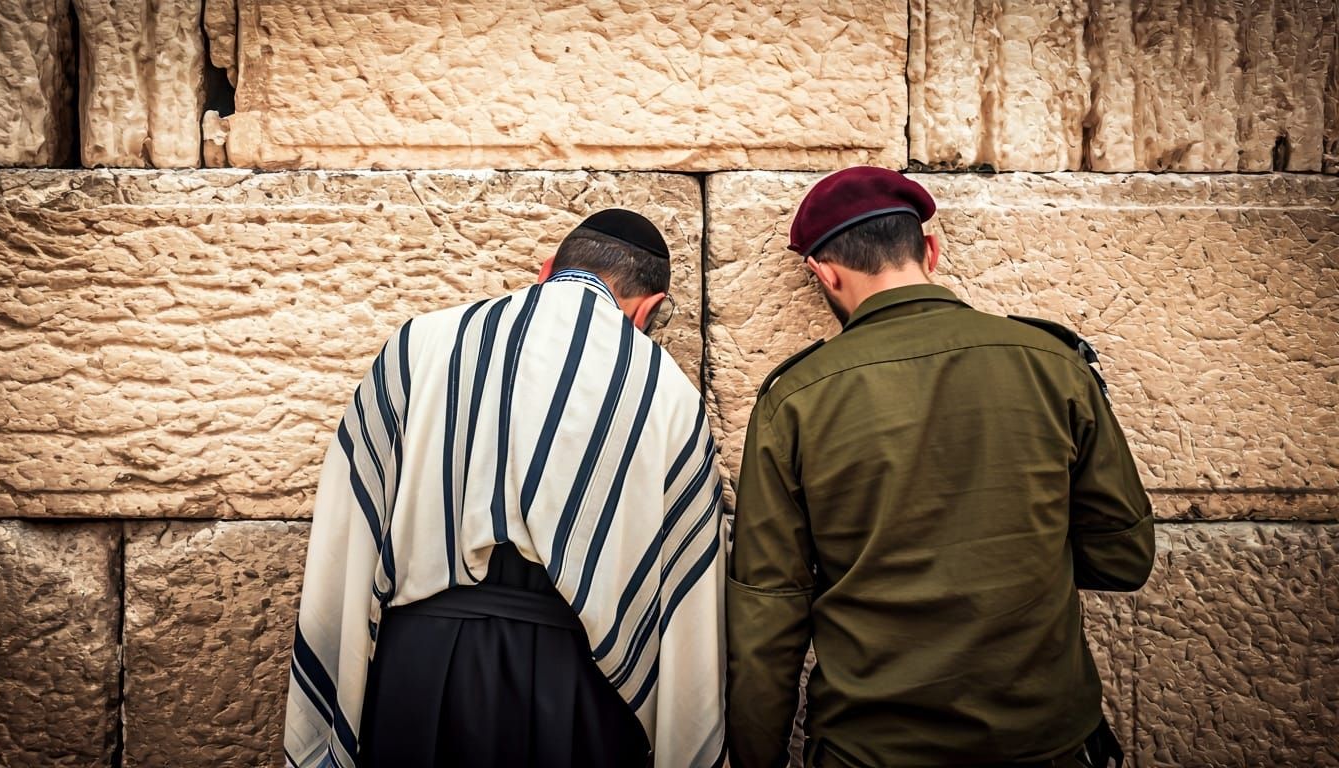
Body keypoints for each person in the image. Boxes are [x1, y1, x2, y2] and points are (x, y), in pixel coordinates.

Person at [726, 167, 1155, 768]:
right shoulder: (1053, 364)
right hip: (1046, 741)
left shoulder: (795, 398)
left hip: (873, 749)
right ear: (930, 249)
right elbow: (1124, 559)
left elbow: (769, 615)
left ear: (823, 271)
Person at [285, 209, 726, 768]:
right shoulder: (667, 391)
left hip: (418, 667)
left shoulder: (419, 345)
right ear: (650, 308)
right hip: (577, 683)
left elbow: (351, 520)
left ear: (547, 270)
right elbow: (687, 589)